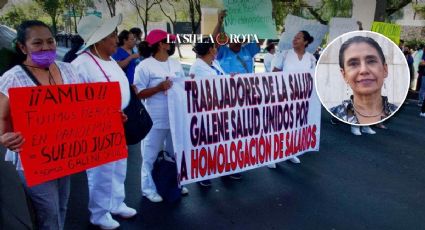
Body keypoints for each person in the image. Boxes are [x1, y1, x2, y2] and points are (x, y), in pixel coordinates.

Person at [0, 20, 81, 230]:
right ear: (22, 47)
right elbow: (1, 117)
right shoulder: (12, 78)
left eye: (50, 41)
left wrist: (108, 118)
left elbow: (85, 106)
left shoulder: (69, 70)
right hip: (33, 160)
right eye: (37, 43)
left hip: (66, 153)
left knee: (62, 206)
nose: (46, 47)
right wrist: (3, 137)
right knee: (48, 211)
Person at [71, 14, 136, 230]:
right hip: (97, 126)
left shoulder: (110, 61)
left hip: (119, 122)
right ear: (98, 40)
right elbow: (75, 103)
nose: (116, 40)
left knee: (118, 166)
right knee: (101, 172)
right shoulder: (81, 64)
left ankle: (116, 202)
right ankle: (99, 213)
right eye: (112, 36)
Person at [133, 29, 188, 203]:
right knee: (149, 155)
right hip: (154, 120)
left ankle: (174, 183)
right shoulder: (144, 66)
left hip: (175, 118)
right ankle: (148, 189)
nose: (171, 44)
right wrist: (158, 87)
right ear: (160, 44)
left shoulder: (176, 64)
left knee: (174, 153)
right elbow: (139, 93)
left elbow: (184, 86)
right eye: (168, 41)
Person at [270, 30, 316, 165]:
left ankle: (290, 152)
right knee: (279, 127)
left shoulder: (311, 58)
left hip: (301, 100)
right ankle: (273, 156)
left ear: (306, 42)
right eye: (294, 37)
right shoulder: (284, 55)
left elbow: (313, 78)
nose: (295, 39)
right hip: (283, 97)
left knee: (296, 127)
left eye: (299, 38)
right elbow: (273, 76)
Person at [330, 36, 398, 125]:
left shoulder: (402, 115)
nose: (364, 70)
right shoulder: (333, 115)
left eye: (371, 61)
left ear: (385, 70)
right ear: (344, 75)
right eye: (353, 63)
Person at [189, 38, 225, 187]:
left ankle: (223, 168)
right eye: (214, 46)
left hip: (219, 109)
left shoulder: (214, 63)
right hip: (204, 111)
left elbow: (222, 79)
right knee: (205, 143)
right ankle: (202, 173)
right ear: (211, 49)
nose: (216, 48)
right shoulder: (197, 67)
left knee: (220, 141)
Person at [213, 10, 261, 75]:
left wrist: (267, 20)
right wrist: (219, 23)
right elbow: (214, 40)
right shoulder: (223, 51)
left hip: (245, 85)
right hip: (228, 85)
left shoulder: (248, 50)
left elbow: (261, 37)